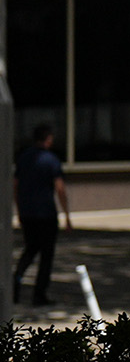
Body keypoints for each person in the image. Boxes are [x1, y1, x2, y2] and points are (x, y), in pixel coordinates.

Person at [15, 124, 72, 307]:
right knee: (46, 255)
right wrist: (67, 215)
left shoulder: (23, 158)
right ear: (48, 139)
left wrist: (19, 208)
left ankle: (16, 281)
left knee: (30, 249)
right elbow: (60, 188)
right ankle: (39, 294)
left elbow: (15, 185)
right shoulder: (51, 160)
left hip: (27, 213)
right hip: (46, 214)